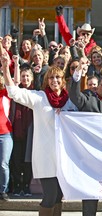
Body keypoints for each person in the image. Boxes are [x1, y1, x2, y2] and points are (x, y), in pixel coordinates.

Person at [1, 53, 77, 215]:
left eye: (57, 77)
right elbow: (14, 92)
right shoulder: (39, 98)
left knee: (58, 197)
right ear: (46, 81)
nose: (54, 81)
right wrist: (6, 68)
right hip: (45, 158)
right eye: (51, 78)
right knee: (49, 196)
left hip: (63, 159)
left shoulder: (69, 102)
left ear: (63, 80)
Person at [69, 57, 102, 216]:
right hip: (91, 158)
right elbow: (74, 95)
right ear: (97, 87)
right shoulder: (88, 99)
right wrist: (78, 72)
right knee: (90, 199)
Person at [10, 57, 34, 197]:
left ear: (31, 78)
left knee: (28, 160)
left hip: (31, 130)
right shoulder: (16, 93)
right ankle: (18, 185)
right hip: (16, 129)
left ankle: (26, 185)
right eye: (23, 76)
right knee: (16, 159)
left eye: (27, 76)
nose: (25, 78)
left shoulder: (35, 92)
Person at [0, 72, 13, 201]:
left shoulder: (4, 93)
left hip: (5, 134)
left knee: (4, 163)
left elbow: (15, 83)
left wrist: (15, 63)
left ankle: (3, 190)